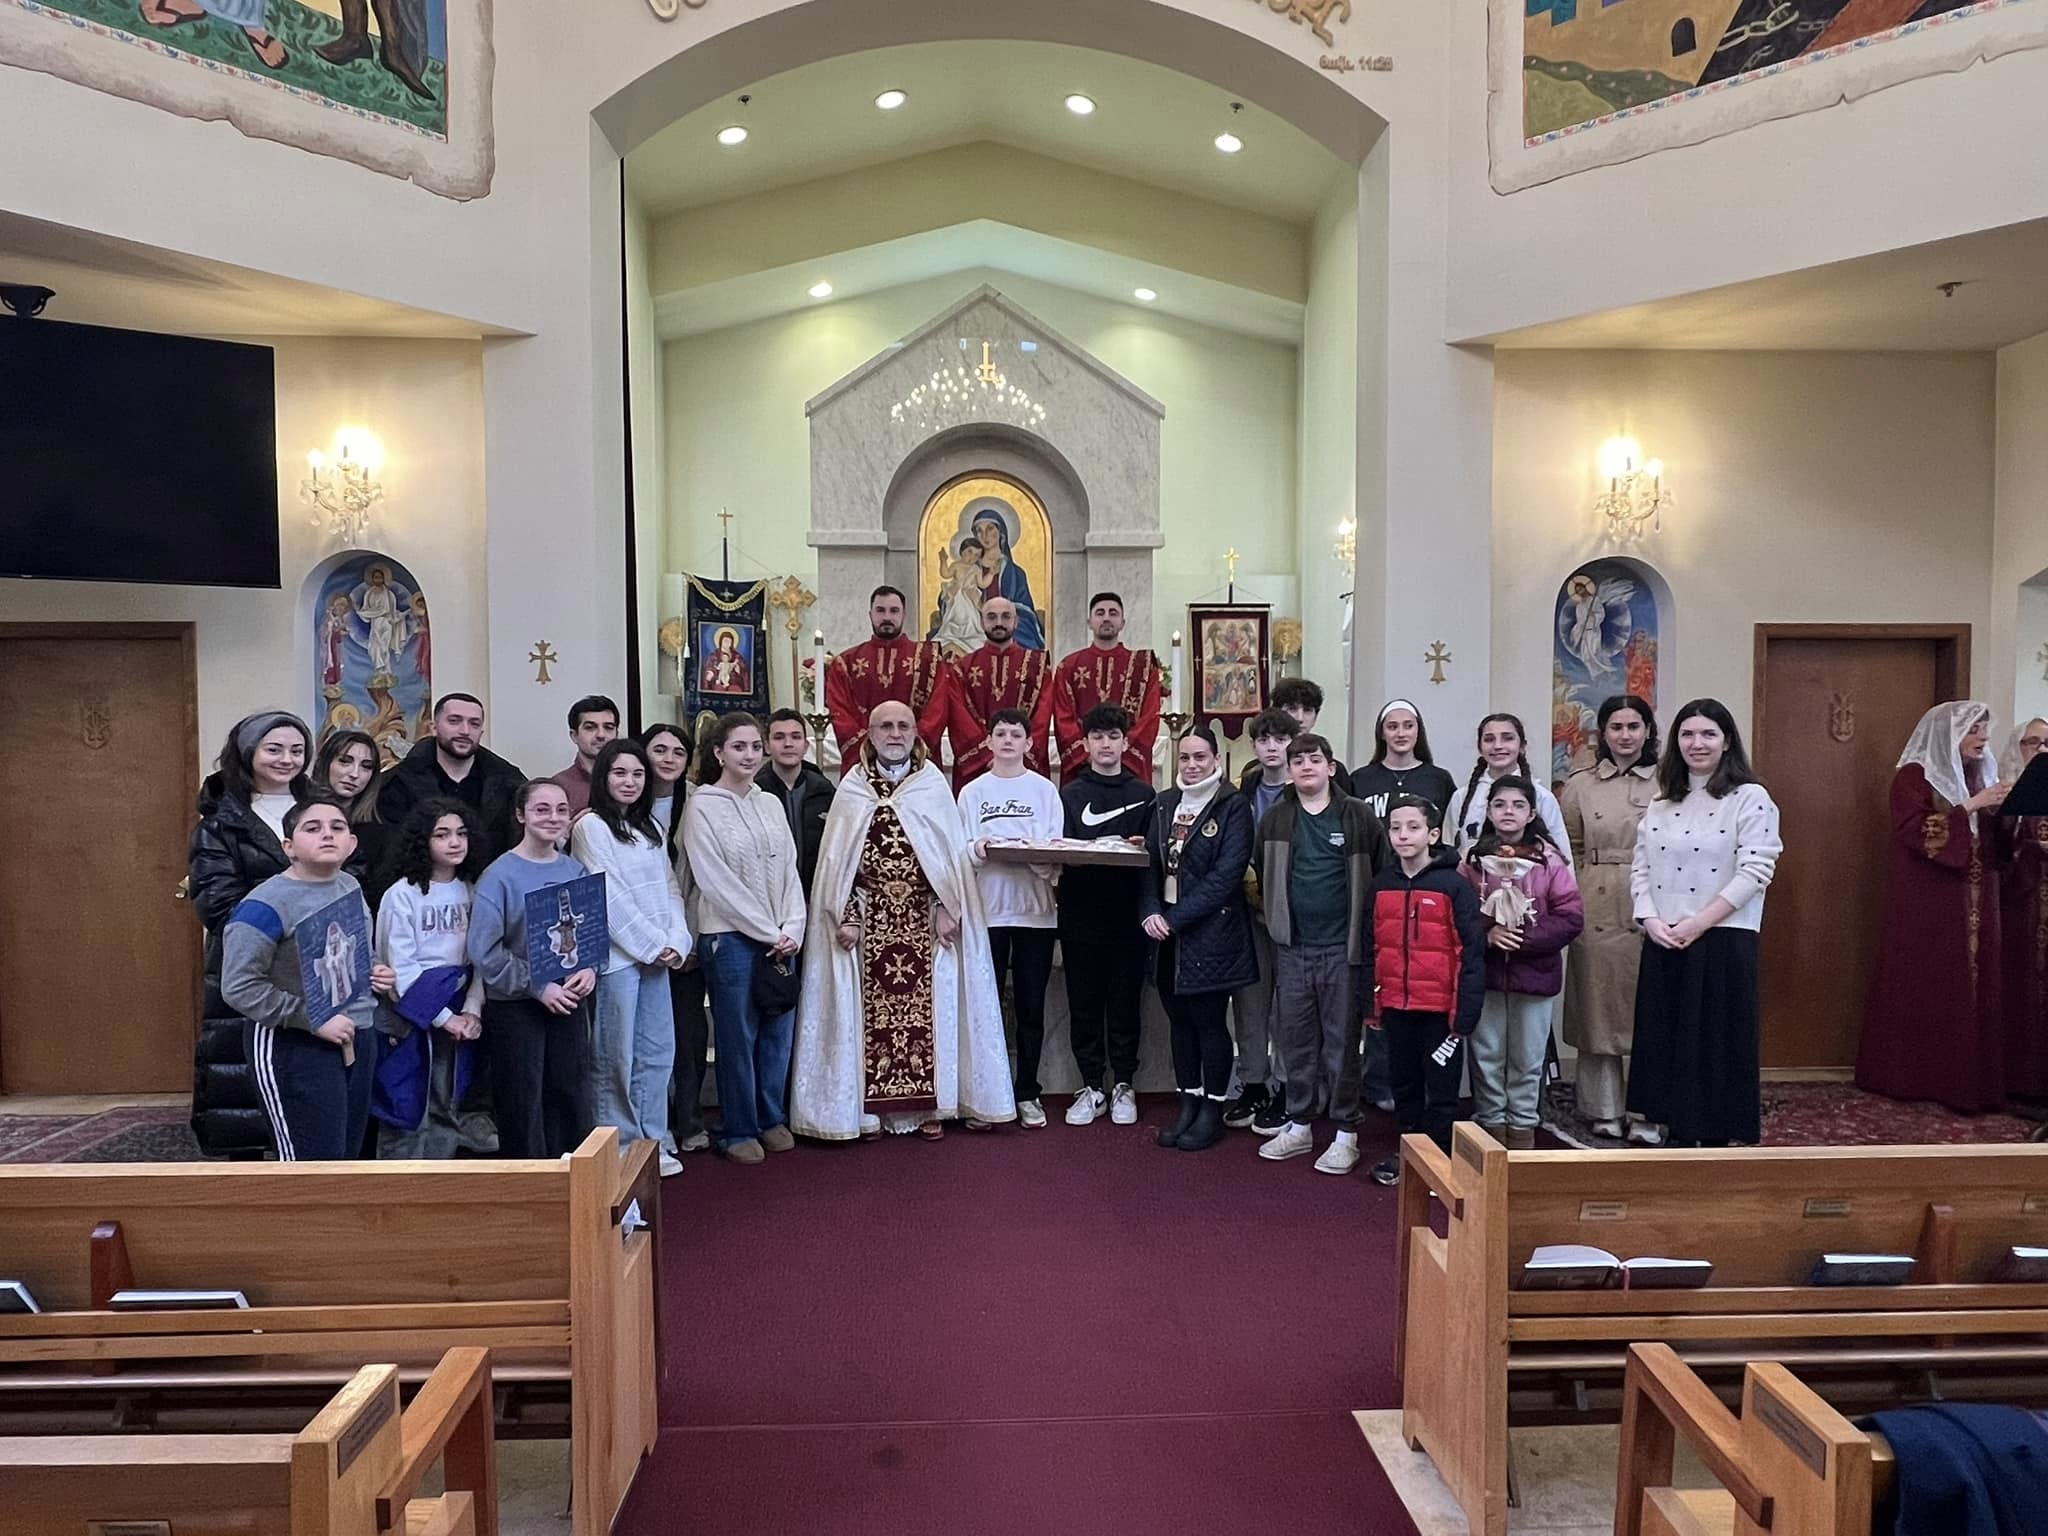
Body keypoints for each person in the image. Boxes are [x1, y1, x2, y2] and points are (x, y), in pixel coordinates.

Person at [791, 701, 1014, 1139]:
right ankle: (867, 1112)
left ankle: (932, 1107)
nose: (895, 733)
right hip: (868, 919)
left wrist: (947, 906)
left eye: (903, 726)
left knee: (936, 1011)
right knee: (862, 1015)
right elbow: (840, 864)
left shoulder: (931, 784)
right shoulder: (853, 786)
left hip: (925, 919)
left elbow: (947, 857)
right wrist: (847, 915)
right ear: (868, 733)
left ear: (916, 732)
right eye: (885, 726)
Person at [1627, 700, 1782, 1146]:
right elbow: (1641, 867)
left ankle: (1714, 1146)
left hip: (1722, 939)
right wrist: (1650, 919)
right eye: (1688, 735)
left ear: (1727, 741)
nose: (1697, 744)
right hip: (1665, 937)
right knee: (1668, 1046)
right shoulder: (1661, 802)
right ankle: (1673, 1136)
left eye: (1708, 734)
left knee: (1714, 1050)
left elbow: (1755, 871)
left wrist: (1699, 924)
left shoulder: (1750, 798)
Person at [222, 796, 396, 1160]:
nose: (327, 835)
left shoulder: (348, 884)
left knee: (347, 1154)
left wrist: (374, 969)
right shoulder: (265, 905)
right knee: (309, 1163)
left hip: (356, 1033)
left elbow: (355, 949)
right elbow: (239, 985)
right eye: (312, 828)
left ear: (351, 844)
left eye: (337, 828)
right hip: (293, 1043)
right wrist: (311, 1018)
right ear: (289, 847)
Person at [1857, 701, 2009, 1114]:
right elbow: (1916, 831)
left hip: (1977, 895)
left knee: (1975, 984)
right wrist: (1973, 807)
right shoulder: (1913, 777)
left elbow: (1991, 840)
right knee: (1932, 981)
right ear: (1949, 733)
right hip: (1930, 898)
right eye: (1974, 730)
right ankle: (1918, 1078)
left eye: (1984, 730)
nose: (1983, 738)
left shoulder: (1980, 772)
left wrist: (2001, 811)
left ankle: (1972, 1081)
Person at [1255, 733, 1392, 1174]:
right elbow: (1262, 869)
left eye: (1315, 760)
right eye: (1298, 762)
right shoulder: (1276, 819)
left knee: (1341, 1044)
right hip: (1293, 949)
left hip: (1343, 949)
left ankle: (1346, 1132)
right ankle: (1299, 1123)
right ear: (1289, 772)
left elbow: (1381, 867)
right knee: (1295, 1041)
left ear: (1331, 767)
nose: (1306, 767)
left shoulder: (1357, 816)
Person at [187, 710, 314, 1158]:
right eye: (274, 749)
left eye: (296, 750)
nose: (287, 759)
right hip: (250, 964)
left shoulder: (319, 809)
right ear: (248, 753)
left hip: (315, 962)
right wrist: (288, 930)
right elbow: (218, 902)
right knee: (243, 1084)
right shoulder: (220, 823)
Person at [684, 713, 807, 1164]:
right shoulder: (702, 805)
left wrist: (793, 926)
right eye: (740, 747)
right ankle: (738, 1127)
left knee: (778, 1029)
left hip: (779, 938)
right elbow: (714, 881)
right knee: (739, 1034)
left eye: (756, 746)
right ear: (718, 753)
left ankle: (770, 1117)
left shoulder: (769, 801)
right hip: (730, 938)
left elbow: (790, 870)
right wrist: (768, 931)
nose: (750, 755)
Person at [569, 740, 691, 1176]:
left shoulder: (650, 829)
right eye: (620, 773)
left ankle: (652, 1142)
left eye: (637, 774)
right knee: (615, 1056)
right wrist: (650, 943)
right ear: (603, 777)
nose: (629, 782)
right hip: (619, 959)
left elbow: (670, 888)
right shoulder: (591, 828)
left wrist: (677, 939)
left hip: (657, 956)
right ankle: (618, 1144)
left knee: (657, 1053)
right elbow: (606, 894)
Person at [1142, 726, 1258, 1153]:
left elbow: (1225, 877)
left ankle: (1212, 1107)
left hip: (1212, 933)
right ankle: (1187, 1100)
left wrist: (1173, 919)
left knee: (1209, 1024)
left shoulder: (1233, 806)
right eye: (1185, 758)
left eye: (1200, 758)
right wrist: (1150, 911)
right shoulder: (1164, 803)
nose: (1191, 766)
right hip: (1166, 932)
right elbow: (1149, 866)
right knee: (1179, 1022)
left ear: (1216, 760)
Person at [1363, 796, 1488, 1186]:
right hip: (1397, 1007)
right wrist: (1372, 1003)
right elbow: (1371, 948)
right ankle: (1410, 1155)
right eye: (1396, 827)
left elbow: (1471, 953)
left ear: (1433, 834)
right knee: (1404, 1084)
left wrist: (1464, 1014)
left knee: (1442, 1089)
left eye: (1413, 827)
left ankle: (1439, 1161)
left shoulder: (1454, 886)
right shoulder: (1381, 884)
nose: (1403, 835)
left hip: (1440, 1011)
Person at [468, 781, 597, 1159]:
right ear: (521, 815)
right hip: (517, 1005)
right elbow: (484, 950)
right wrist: (537, 986)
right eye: (541, 809)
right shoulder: (500, 876)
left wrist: (589, 968)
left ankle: (576, 1187)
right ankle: (532, 1191)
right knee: (523, 1101)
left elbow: (588, 930)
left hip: (569, 998)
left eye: (560, 809)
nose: (552, 817)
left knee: (571, 1093)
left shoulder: (575, 869)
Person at [1462, 775, 1584, 1148]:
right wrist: (1487, 936)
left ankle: (1522, 1128)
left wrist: (1523, 938)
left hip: (1536, 975)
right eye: (1500, 805)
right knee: (1487, 1054)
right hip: (1487, 976)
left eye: (1517, 805)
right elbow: (1458, 915)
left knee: (1528, 1057)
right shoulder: (1472, 862)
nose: (1508, 812)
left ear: (1532, 813)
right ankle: (1491, 1124)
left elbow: (1570, 916)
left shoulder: (1550, 861)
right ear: (1489, 812)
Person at [958, 708, 1065, 1129]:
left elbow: (1055, 853)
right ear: (988, 742)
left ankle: (1027, 1092)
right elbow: (959, 850)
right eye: (999, 733)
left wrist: (1034, 855)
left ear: (1028, 743)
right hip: (987, 914)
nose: (1006, 740)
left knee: (1030, 1007)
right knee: (986, 1006)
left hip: (1035, 914)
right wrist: (980, 849)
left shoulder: (1044, 791)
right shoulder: (972, 793)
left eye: (1015, 734)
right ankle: (986, 1093)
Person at [1558, 695, 1658, 1137]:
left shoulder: (1669, 783)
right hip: (1596, 896)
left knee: (1649, 1005)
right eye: (1616, 727)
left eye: (1634, 726)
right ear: (1603, 733)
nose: (1625, 735)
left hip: (1652, 896)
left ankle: (1648, 1109)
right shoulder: (1581, 784)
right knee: (1598, 1004)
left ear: (1649, 731)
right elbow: (1569, 846)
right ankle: (1603, 1109)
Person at [1058, 704, 1157, 1126]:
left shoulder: (1144, 794)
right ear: (1085, 744)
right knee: (1084, 1004)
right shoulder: (1069, 795)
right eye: (1097, 737)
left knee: (1124, 1004)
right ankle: (1092, 1084)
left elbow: (1157, 857)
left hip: (1127, 919)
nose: (1104, 744)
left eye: (1112, 737)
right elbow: (1055, 855)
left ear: (1125, 742)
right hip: (1080, 915)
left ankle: (1124, 1085)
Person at [370, 799, 486, 1159]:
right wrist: (443, 1018)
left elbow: (479, 957)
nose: (455, 842)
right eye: (442, 834)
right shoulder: (402, 895)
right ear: (423, 840)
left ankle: (443, 1178)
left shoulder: (472, 889)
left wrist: (472, 1010)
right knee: (407, 1104)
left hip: (459, 1009)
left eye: (461, 834)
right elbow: (400, 968)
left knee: (447, 1098)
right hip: (413, 1016)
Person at [642, 721, 711, 1154]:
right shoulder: (625, 799)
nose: (667, 759)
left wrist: (687, 939)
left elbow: (703, 878)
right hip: (640, 937)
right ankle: (650, 1122)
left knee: (687, 1031)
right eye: (659, 750)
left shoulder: (700, 802)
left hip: (687, 932)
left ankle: (687, 1117)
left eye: (677, 752)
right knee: (646, 1037)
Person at [1230, 709, 1299, 1133]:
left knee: (1289, 1006)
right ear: (1253, 745)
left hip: (1292, 914)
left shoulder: (1310, 787)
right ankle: (1253, 1082)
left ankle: (1289, 1087)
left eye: (1280, 739)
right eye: (1264, 740)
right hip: (1249, 911)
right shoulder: (1245, 789)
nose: (1272, 747)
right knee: (1250, 1002)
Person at [378, 693, 527, 864]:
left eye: (474, 724)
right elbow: (390, 849)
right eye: (454, 721)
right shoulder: (398, 783)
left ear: (481, 732)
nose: (465, 731)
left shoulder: (509, 782)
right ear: (434, 728)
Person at [929, 596, 1055, 786]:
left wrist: (1016, 754)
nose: (999, 623)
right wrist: (987, 755)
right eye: (991, 617)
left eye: (1006, 617)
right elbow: (959, 716)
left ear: (1016, 621)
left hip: (1025, 768)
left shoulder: (1037, 665)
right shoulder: (962, 668)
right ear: (981, 621)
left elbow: (1042, 717)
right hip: (977, 771)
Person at [824, 586, 947, 760]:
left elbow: (938, 708)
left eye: (894, 611)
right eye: (880, 610)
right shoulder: (846, 662)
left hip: (917, 758)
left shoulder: (929, 659)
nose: (887, 617)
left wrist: (911, 745)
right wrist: (872, 749)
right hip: (864, 759)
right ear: (870, 615)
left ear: (904, 615)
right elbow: (841, 713)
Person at [1051, 591, 1162, 783]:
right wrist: (1087, 754)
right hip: (1082, 771)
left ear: (1122, 622)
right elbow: (1063, 717)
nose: (1106, 618)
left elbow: (1150, 717)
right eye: (1100, 613)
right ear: (1090, 622)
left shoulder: (1143, 667)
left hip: (1129, 772)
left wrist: (1120, 754)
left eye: (1113, 613)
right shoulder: (1069, 666)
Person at [1449, 712, 1572, 866]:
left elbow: (1561, 854)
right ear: (1479, 747)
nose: (1498, 746)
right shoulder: (1461, 797)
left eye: (1508, 738)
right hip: (1473, 884)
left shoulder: (1541, 796)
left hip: (1531, 886)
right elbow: (1450, 849)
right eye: (1489, 739)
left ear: (1522, 746)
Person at [2001, 719, 2048, 1100]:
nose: (2041, 749)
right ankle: (2019, 1084)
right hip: (2020, 910)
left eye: (2047, 742)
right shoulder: (2002, 788)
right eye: (2033, 742)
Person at [755, 709, 835, 896]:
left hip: (816, 892)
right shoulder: (756, 792)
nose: (788, 744)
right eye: (779, 737)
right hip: (771, 895)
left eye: (796, 737)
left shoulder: (824, 791)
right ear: (766, 746)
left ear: (806, 745)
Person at [314, 728, 393, 901]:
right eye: (344, 761)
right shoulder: (299, 818)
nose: (354, 774)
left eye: (366, 767)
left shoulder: (379, 832)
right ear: (325, 763)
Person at [1349, 699, 1459, 823]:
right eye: (1392, 727)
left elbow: (1450, 828)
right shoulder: (1360, 779)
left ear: (1418, 731)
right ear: (1382, 733)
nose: (1401, 733)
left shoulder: (1439, 779)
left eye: (1408, 726)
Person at [967, 508, 1045, 651]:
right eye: (979, 531)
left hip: (1008, 624)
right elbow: (951, 598)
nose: (985, 535)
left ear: (1001, 533)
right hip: (973, 622)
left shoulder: (1016, 573)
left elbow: (1026, 609)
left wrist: (1003, 612)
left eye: (990, 528)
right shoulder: (969, 570)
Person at [551, 695, 621, 817]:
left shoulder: (631, 783)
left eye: (608, 728)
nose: (601, 735)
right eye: (590, 727)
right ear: (574, 735)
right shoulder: (559, 786)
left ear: (617, 734)